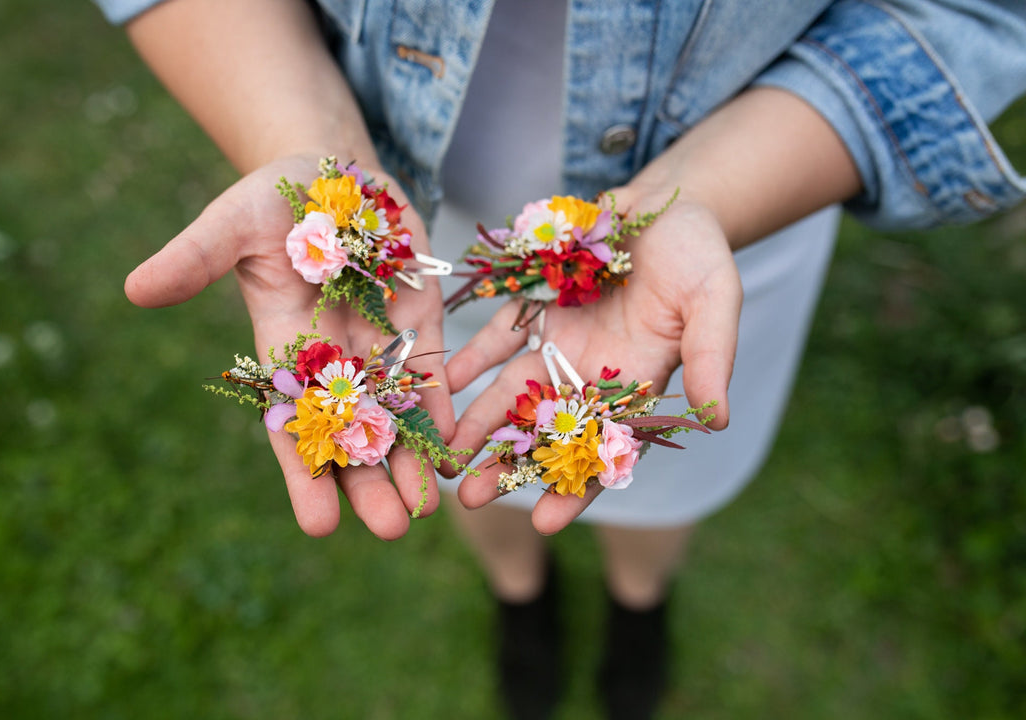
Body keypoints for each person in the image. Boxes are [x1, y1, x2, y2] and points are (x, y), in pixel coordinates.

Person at [94, 0, 1026, 717]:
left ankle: (639, 601)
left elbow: (970, 15)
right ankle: (519, 594)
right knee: (462, 448)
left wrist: (692, 197)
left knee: (658, 470)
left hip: (727, 208)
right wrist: (310, 146)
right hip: (411, 233)